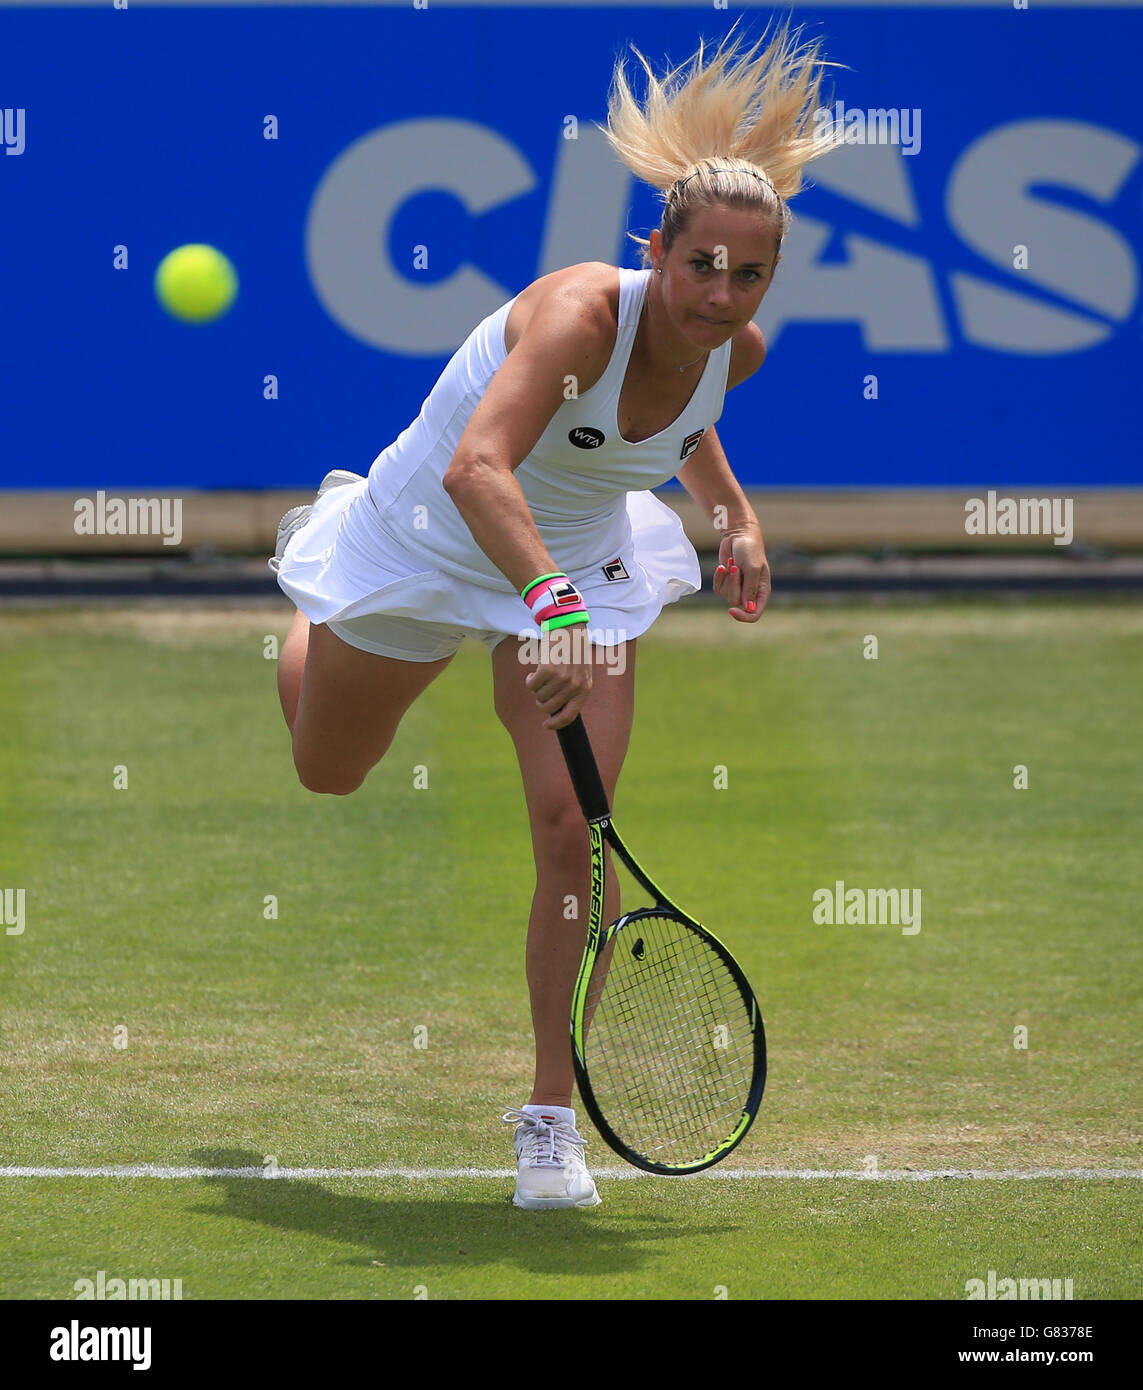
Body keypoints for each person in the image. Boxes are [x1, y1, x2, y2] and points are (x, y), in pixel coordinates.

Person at [270, 18, 838, 1210]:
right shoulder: (583, 315)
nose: (721, 295)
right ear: (656, 251)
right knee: (328, 770)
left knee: (573, 827)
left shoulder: (739, 350)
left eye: (749, 276)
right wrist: (548, 607)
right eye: (702, 268)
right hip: (431, 535)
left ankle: (547, 1118)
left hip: (578, 561)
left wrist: (733, 515)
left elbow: (688, 426)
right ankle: (313, 599)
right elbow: (483, 466)